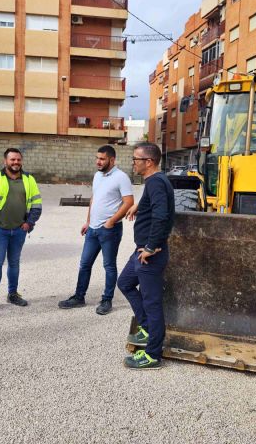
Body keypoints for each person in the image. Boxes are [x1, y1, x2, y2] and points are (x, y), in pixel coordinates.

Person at [117, 142, 175, 369]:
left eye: (136, 159)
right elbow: (155, 206)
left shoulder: (157, 182)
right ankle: (146, 328)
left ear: (148, 162)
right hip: (141, 251)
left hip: (149, 254)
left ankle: (152, 354)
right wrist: (138, 206)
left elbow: (162, 216)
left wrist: (152, 246)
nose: (133, 163)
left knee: (152, 303)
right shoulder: (154, 182)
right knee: (125, 282)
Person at [58, 145, 134, 315]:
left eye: (102, 159)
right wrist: (88, 221)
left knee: (109, 266)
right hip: (92, 230)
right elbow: (94, 198)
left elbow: (129, 202)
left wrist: (111, 221)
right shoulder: (97, 176)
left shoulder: (121, 177)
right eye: (97, 158)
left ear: (112, 160)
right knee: (85, 264)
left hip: (110, 230)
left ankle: (107, 300)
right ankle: (79, 297)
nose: (98, 162)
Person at [0, 148, 42, 311]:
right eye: (12, 159)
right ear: (5, 161)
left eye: (18, 159)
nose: (16, 162)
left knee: (14, 263)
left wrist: (29, 224)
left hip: (19, 230)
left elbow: (37, 204)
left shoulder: (29, 179)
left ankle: (13, 294)